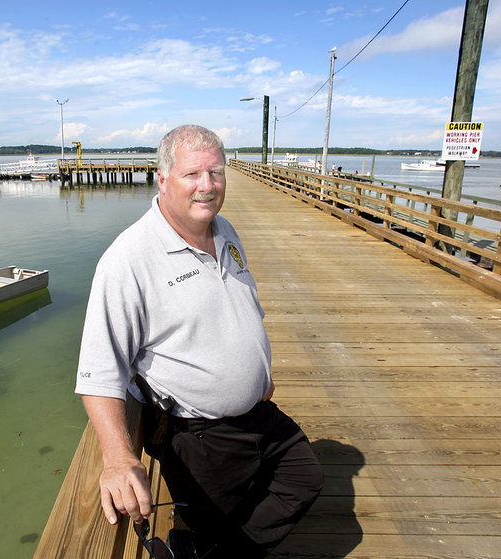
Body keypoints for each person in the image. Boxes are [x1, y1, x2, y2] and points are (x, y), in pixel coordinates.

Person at [75, 124, 323, 558]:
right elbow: (99, 372)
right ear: (163, 179)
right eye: (193, 175)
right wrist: (117, 458)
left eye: (217, 173)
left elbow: (243, 304)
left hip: (258, 412)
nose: (207, 186)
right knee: (219, 523)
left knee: (304, 477)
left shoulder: (223, 229)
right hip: (201, 435)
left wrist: (257, 370)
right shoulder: (128, 259)